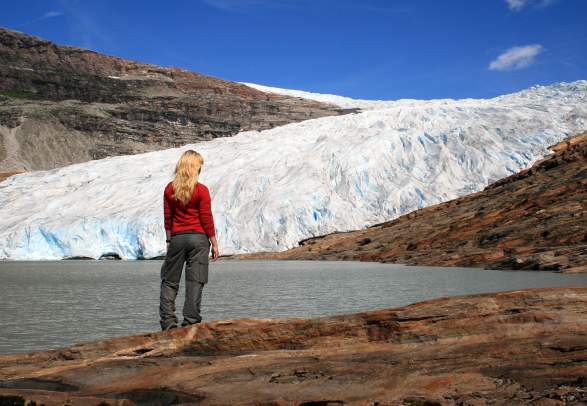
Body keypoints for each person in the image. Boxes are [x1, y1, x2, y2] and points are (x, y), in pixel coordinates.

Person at [159, 149, 219, 331]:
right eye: (199, 166)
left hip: (177, 238)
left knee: (169, 281)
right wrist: (214, 243)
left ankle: (168, 323)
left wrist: (169, 241)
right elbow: (206, 217)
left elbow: (167, 218)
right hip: (199, 239)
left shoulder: (170, 189)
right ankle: (190, 322)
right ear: (194, 168)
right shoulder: (201, 190)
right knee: (195, 280)